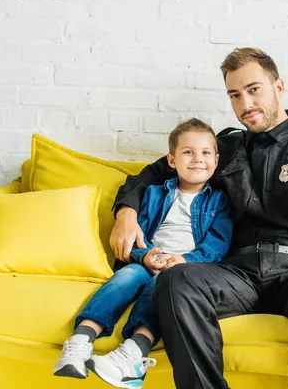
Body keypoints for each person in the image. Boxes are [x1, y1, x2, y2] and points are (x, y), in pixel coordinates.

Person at [110, 47, 288, 389]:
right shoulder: (224, 147)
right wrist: (126, 212)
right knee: (175, 281)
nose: (245, 104)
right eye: (235, 95)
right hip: (236, 273)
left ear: (278, 87)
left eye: (254, 90)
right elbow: (153, 174)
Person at [53, 118, 233, 388]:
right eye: (188, 152)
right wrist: (145, 255)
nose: (198, 159)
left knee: (159, 287)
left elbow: (217, 244)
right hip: (150, 258)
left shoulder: (219, 200)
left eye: (206, 153)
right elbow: (140, 235)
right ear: (171, 160)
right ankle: (81, 340)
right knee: (125, 278)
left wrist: (184, 260)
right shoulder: (154, 193)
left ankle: (135, 351)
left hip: (185, 269)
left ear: (216, 160)